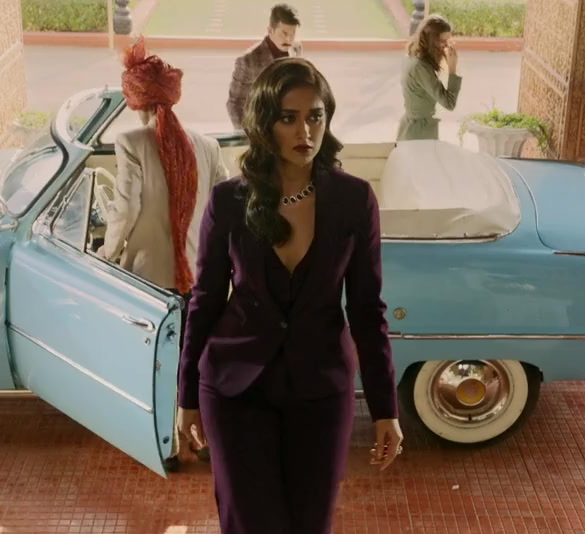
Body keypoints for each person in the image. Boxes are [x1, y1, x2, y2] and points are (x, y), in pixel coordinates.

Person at [176, 57, 403, 533]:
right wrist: (186, 396)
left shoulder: (354, 200)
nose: (306, 131)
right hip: (235, 390)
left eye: (315, 116)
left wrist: (386, 409)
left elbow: (367, 310)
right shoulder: (229, 201)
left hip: (320, 392)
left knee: (309, 525)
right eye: (289, 118)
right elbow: (206, 302)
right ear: (265, 124)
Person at [100, 38, 231, 295]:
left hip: (147, 280)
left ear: (136, 100)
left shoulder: (130, 142)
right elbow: (225, 210)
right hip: (199, 279)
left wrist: (108, 252)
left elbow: (126, 209)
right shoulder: (209, 146)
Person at [226, 3, 302, 131]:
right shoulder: (247, 60)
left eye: (292, 33)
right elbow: (234, 104)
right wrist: (246, 135)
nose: (289, 39)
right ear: (270, 30)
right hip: (261, 130)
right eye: (284, 33)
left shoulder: (296, 49)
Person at [397, 15, 461, 141]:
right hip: (419, 134)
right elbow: (449, 103)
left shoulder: (412, 57)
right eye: (442, 41)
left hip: (411, 129)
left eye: (448, 40)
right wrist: (452, 68)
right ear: (431, 40)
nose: (446, 46)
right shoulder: (421, 68)